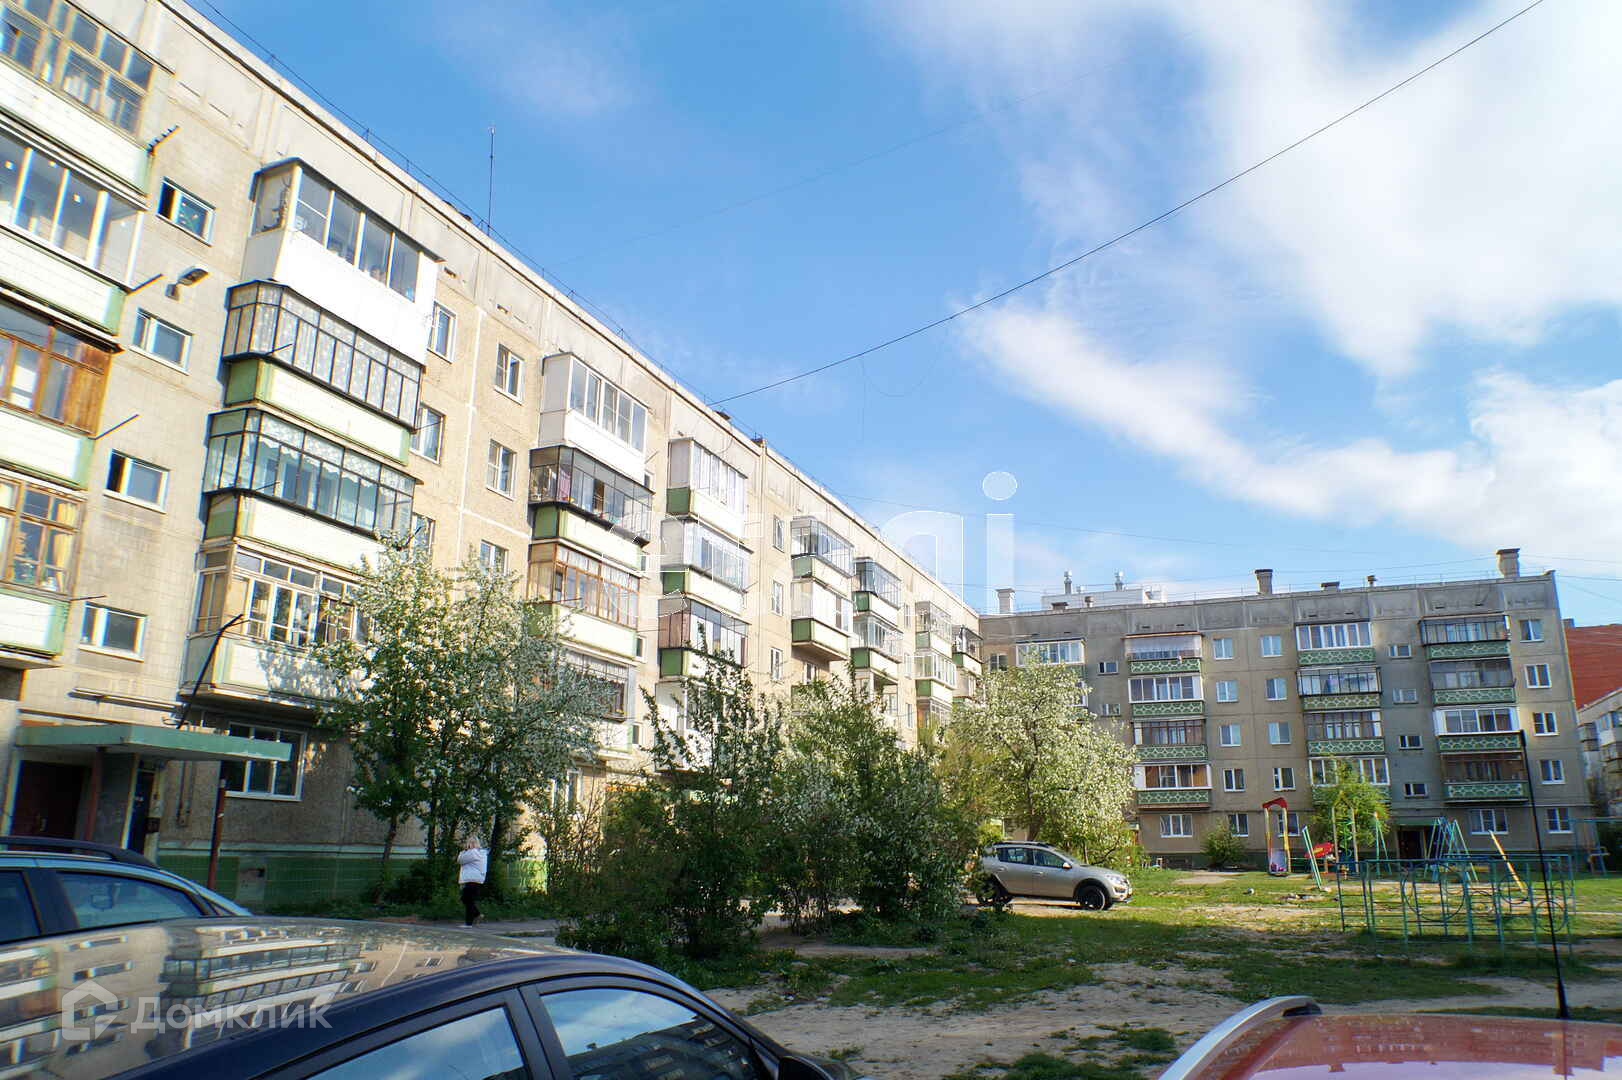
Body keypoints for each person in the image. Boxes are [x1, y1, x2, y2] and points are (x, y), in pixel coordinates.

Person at [457, 835, 487, 927]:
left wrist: (463, 852)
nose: (469, 845)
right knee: (466, 899)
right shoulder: (480, 853)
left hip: (472, 879)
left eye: (470, 843)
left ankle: (469, 923)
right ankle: (477, 915)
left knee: (468, 900)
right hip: (475, 879)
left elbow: (460, 860)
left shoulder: (473, 852)